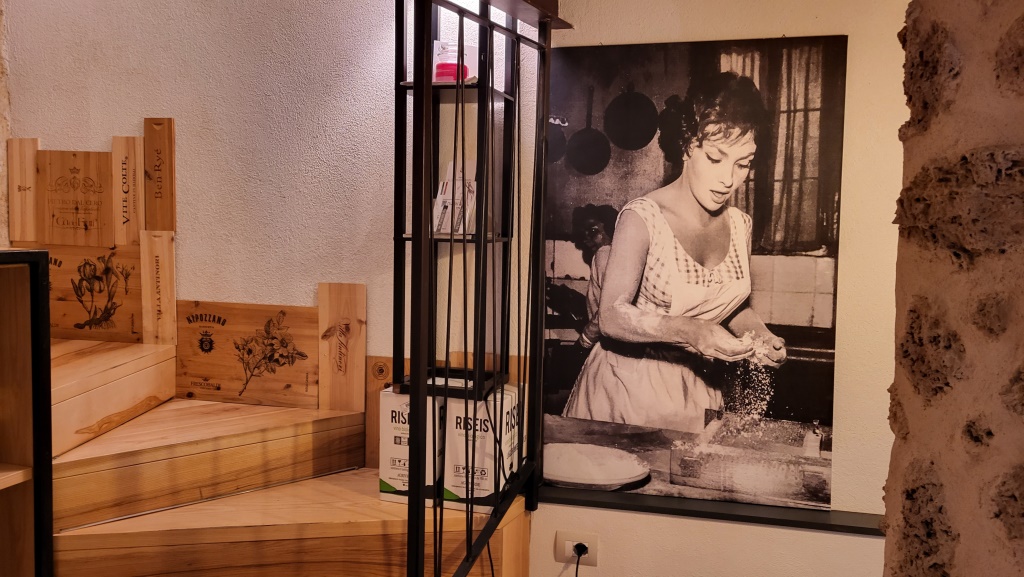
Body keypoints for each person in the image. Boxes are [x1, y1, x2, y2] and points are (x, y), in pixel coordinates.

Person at [562, 72, 786, 433]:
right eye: (715, 158)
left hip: (696, 390)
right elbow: (612, 316)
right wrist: (690, 332)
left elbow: (730, 305)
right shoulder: (643, 218)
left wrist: (762, 336)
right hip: (626, 393)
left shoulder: (740, 225)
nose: (729, 179)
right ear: (687, 145)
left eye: (743, 163)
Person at [570, 204, 618, 350]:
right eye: (583, 234)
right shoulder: (618, 255)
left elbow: (608, 308)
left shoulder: (603, 253)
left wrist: (584, 340)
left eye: (592, 231)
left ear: (609, 227)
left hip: (607, 346)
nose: (586, 239)